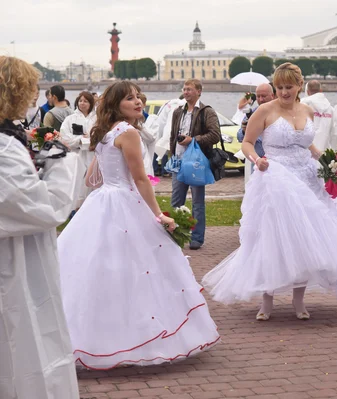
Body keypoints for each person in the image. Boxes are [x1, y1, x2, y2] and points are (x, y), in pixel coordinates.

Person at [57, 81, 220, 370]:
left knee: (103, 269)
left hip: (103, 201)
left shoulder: (106, 133)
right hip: (124, 200)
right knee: (134, 269)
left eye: (138, 97)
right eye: (129, 99)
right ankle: (139, 339)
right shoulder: (127, 132)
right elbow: (141, 179)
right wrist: (158, 215)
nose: (137, 102)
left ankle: (93, 338)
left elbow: (91, 181)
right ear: (116, 104)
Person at [202, 63, 337, 321]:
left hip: (306, 177)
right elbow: (247, 142)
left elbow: (308, 145)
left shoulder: (307, 110)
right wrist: (256, 159)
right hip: (275, 176)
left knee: (305, 239)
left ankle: (298, 300)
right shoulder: (264, 110)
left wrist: (329, 161)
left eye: (288, 87)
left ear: (299, 86)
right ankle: (267, 299)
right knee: (272, 237)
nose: (283, 92)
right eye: (279, 87)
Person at [0, 56, 80, 399]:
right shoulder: (4, 148)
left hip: (21, 258)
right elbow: (43, 208)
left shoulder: (9, 139)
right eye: (30, 87)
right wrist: (60, 161)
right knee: (24, 346)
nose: (35, 96)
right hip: (15, 264)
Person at [168, 79, 221, 250]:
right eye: (184, 89)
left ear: (199, 91)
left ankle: (197, 238)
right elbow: (172, 135)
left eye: (190, 89)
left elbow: (215, 135)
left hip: (196, 162)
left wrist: (194, 140)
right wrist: (171, 154)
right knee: (176, 201)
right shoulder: (178, 112)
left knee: (197, 202)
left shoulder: (207, 111)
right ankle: (176, 234)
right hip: (178, 160)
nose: (186, 92)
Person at [60, 91, 98, 207]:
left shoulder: (98, 119)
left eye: (85, 101)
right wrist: (81, 140)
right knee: (78, 182)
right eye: (80, 101)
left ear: (91, 103)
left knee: (93, 182)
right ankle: (76, 208)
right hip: (77, 155)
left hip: (93, 156)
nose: (82, 103)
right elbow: (65, 137)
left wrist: (90, 140)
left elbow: (101, 136)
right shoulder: (70, 119)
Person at [237, 83, 275, 181]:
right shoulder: (252, 113)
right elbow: (240, 137)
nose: (261, 99)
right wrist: (244, 130)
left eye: (264, 96)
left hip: (275, 162)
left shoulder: (278, 113)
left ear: (272, 95)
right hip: (257, 162)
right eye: (258, 96)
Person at [301, 79, 334, 151]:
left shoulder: (303, 104)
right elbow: (334, 133)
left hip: (306, 150)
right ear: (321, 90)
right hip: (324, 151)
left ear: (308, 91)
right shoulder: (330, 109)